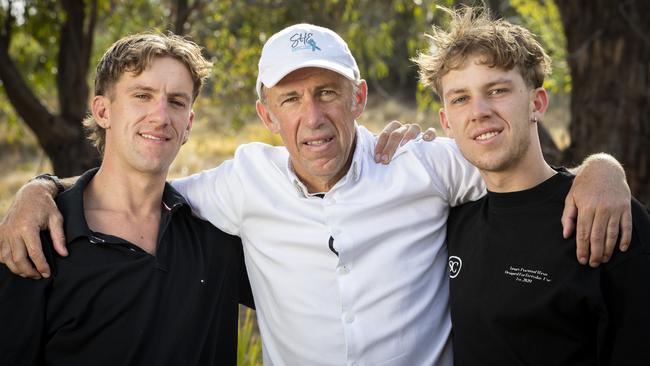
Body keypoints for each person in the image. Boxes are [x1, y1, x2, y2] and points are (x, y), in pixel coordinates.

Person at [0, 24, 632, 365]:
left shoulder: (424, 167)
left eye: (328, 92)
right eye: (291, 99)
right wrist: (39, 189)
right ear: (266, 113)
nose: (314, 116)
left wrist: (602, 169)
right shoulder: (240, 182)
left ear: (358, 99)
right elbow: (134, 186)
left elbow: (520, 170)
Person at [414, 6, 650, 365]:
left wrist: (604, 167)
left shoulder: (606, 216)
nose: (478, 111)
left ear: (536, 103)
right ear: (447, 121)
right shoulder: (450, 223)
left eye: (496, 90)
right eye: (460, 98)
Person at [0, 33, 253, 366]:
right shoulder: (36, 239)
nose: (161, 116)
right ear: (103, 111)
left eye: (176, 102)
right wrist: (39, 188)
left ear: (188, 124)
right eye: (142, 96)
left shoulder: (217, 232)